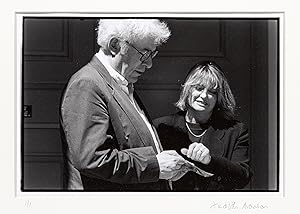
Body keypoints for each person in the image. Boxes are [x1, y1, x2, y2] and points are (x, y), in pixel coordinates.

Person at [59, 19, 188, 191]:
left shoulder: (120, 83)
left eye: (152, 55)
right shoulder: (87, 84)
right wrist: (155, 165)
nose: (149, 64)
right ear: (115, 45)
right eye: (145, 54)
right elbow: (92, 159)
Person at [153, 61, 253, 191]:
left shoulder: (235, 130)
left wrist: (210, 161)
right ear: (188, 89)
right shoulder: (161, 126)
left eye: (212, 92)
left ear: (219, 98)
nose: (204, 96)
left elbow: (243, 178)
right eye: (199, 88)